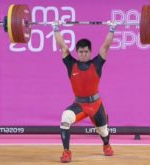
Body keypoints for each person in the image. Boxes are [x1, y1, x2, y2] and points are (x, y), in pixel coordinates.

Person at [52, 20, 117, 163]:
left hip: (96, 104)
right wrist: (56, 27)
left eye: (86, 51)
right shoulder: (71, 64)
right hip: (79, 105)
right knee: (66, 117)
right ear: (77, 52)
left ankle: (106, 145)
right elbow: (62, 46)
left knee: (103, 131)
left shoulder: (96, 63)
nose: (83, 54)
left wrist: (112, 28)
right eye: (80, 52)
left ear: (90, 51)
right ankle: (66, 152)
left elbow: (105, 47)